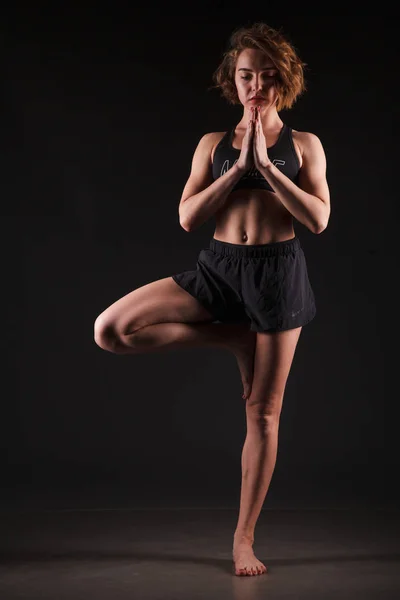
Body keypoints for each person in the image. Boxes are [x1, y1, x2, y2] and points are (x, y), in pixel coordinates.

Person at [94, 21, 330, 577]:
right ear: (234, 80)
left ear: (284, 81)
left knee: (263, 414)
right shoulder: (211, 145)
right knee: (112, 329)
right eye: (246, 75)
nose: (256, 86)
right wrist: (239, 168)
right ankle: (230, 335)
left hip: (277, 278)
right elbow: (187, 217)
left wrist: (268, 168)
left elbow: (318, 220)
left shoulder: (305, 145)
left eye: (268, 77)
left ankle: (243, 539)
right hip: (219, 268)